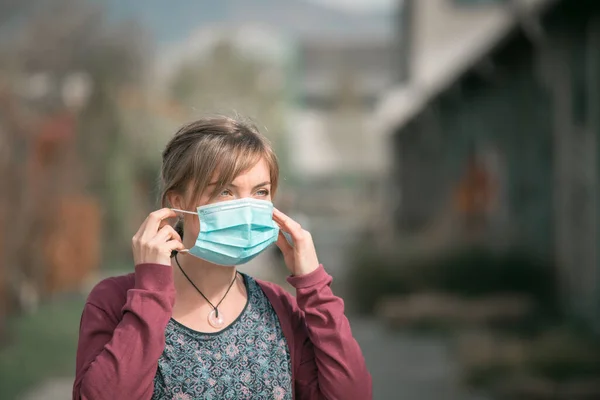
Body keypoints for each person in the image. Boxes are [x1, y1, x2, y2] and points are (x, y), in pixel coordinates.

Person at [72, 117, 371, 400]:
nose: (245, 208)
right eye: (226, 191)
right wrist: (151, 290)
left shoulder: (279, 309)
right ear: (178, 201)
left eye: (260, 191)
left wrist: (314, 287)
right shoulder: (115, 301)